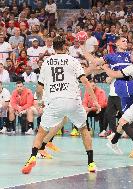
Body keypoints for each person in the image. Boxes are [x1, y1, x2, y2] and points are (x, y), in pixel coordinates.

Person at [21, 36, 99, 174]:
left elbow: (39, 89)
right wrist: (95, 101)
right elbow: (86, 82)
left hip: (55, 102)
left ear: (54, 48)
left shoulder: (46, 62)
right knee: (83, 130)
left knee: (41, 132)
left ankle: (32, 156)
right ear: (65, 47)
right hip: (73, 101)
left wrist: (39, 102)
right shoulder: (73, 60)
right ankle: (91, 163)